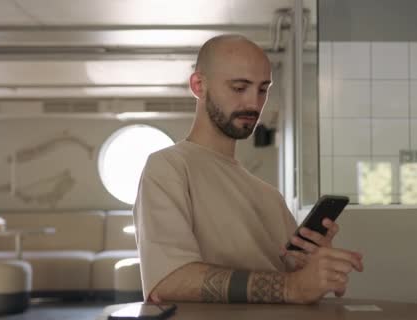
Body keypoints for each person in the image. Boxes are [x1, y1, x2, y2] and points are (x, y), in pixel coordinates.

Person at [133, 34, 364, 305]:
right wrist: (290, 286)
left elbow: (299, 288)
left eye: (262, 89)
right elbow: (168, 281)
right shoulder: (168, 168)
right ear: (198, 85)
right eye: (239, 88)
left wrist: (316, 268)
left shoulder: (269, 197)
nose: (254, 104)